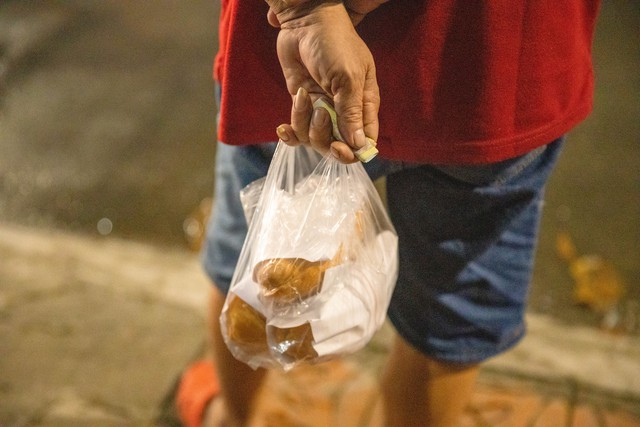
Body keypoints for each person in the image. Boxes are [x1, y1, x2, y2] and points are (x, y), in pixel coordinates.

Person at [177, 1, 602, 426]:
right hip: (493, 69)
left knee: (261, 267)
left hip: (302, 73)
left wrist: (308, 11)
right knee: (445, 313)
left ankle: (231, 419)